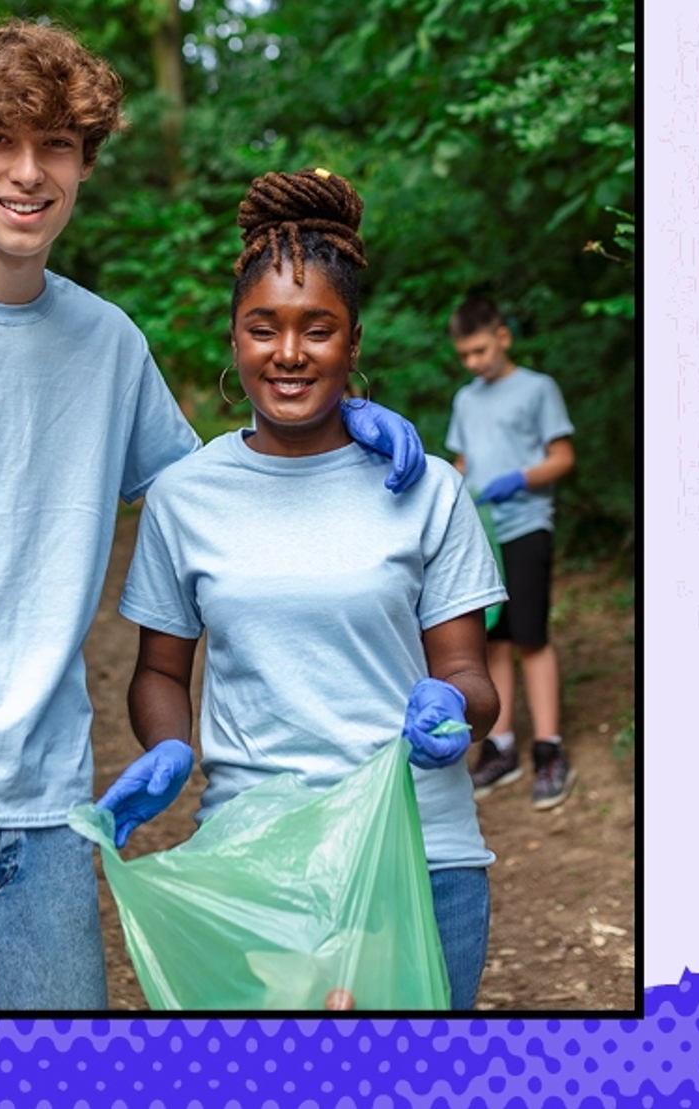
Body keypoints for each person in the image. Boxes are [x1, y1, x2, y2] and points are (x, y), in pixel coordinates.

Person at [0, 20, 429, 1010]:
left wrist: (332, 426)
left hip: (47, 814)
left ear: (84, 164)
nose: (26, 172)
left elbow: (212, 493)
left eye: (55, 146)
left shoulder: (106, 344)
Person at [103, 168, 506, 1008]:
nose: (289, 353)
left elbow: (473, 678)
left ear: (353, 343)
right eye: (265, 329)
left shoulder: (428, 489)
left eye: (317, 329)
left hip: (420, 853)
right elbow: (159, 671)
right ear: (235, 338)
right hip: (258, 857)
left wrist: (454, 708)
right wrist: (168, 744)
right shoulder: (185, 495)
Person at [446, 298, 579, 807]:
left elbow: (562, 457)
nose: (473, 363)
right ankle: (500, 747)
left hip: (524, 526)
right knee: (494, 638)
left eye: (479, 350)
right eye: (464, 355)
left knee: (530, 636)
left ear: (503, 336)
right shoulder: (466, 399)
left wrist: (521, 480)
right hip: (481, 532)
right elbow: (462, 461)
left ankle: (549, 748)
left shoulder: (538, 389)